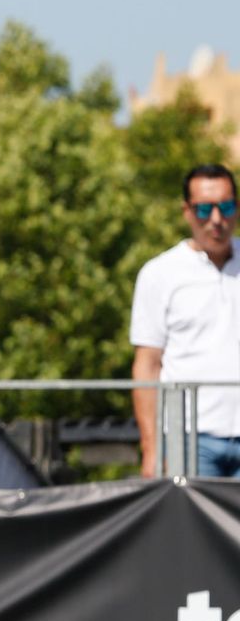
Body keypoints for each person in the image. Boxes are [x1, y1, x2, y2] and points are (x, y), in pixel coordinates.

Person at [131, 163, 240, 478]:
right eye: (205, 209)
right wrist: (151, 449)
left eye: (226, 206)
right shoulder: (160, 273)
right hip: (190, 440)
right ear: (187, 211)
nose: (217, 219)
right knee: (189, 529)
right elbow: (147, 364)